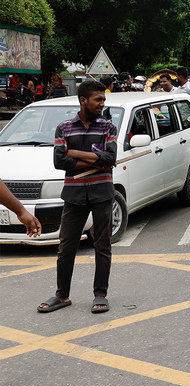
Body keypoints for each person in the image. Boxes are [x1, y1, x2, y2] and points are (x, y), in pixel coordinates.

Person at [37, 80, 117, 314]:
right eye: (98, 99)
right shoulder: (64, 127)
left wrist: (76, 153)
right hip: (73, 194)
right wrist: (95, 157)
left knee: (102, 245)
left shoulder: (107, 127)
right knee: (66, 246)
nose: (102, 103)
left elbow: (110, 159)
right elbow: (59, 161)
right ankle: (62, 296)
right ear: (83, 100)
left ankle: (100, 294)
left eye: (103, 99)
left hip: (102, 193)